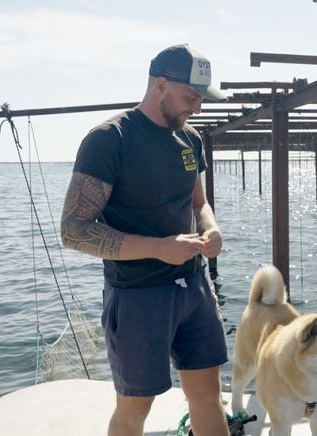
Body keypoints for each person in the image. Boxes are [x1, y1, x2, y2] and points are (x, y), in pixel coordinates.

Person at [60, 44, 229, 436]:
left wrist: (211, 228)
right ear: (161, 85)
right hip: (137, 295)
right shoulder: (109, 139)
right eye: (191, 98)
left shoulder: (191, 139)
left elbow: (198, 201)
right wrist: (159, 248)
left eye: (202, 99)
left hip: (195, 286)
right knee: (135, 408)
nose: (198, 108)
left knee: (207, 394)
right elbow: (74, 230)